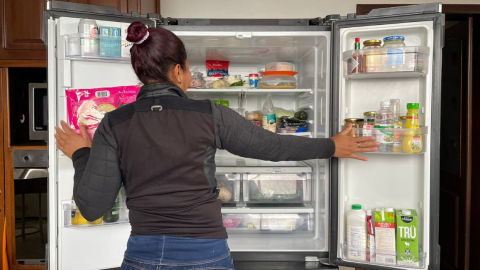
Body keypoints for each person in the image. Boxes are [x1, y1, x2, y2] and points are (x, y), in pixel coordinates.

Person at [54, 22, 379, 270]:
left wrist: (82, 153)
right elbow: (273, 147)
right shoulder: (209, 114)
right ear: (179, 71)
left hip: (144, 256)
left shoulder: (116, 123)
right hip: (207, 256)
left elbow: (93, 207)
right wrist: (332, 146)